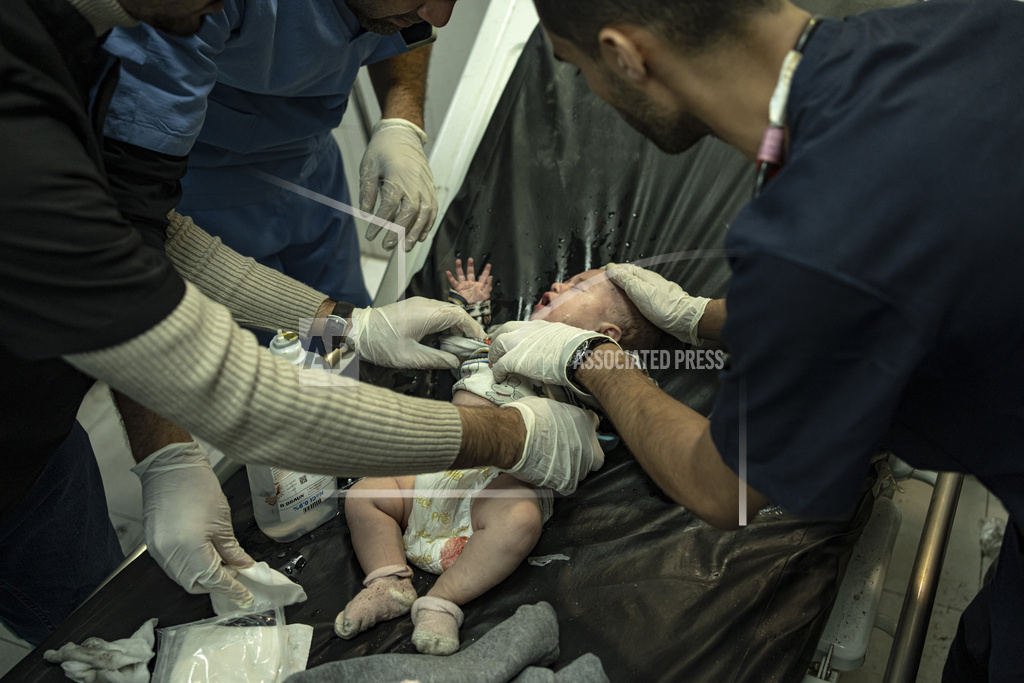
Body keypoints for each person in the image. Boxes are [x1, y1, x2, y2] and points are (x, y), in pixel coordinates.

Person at [0, 0, 600, 647]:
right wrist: (510, 434)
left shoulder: (64, 49)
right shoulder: (23, 131)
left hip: (35, 445)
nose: (224, 16)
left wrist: (350, 323)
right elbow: (246, 396)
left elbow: (151, 233)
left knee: (87, 626)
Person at [488, 0, 1024, 679]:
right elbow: (890, 270)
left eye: (578, 68)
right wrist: (693, 316)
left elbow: (726, 491)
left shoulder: (810, 238)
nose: (589, 89)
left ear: (625, 55)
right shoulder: (963, 30)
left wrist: (591, 360)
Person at [336, 259, 660, 654]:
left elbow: (629, 401)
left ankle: (441, 602)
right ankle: (388, 582)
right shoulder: (512, 335)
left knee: (520, 518)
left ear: (605, 336)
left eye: (576, 288)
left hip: (503, 484)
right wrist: (469, 307)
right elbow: (469, 341)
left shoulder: (591, 369)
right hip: (442, 464)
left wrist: (607, 360)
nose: (557, 284)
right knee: (363, 494)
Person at [99, 0, 453, 329]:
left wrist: (402, 123)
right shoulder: (200, 8)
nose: (440, 15)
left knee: (338, 341)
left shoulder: (396, 8)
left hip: (313, 179)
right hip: (206, 200)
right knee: (278, 343)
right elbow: (134, 216)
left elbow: (402, 29)